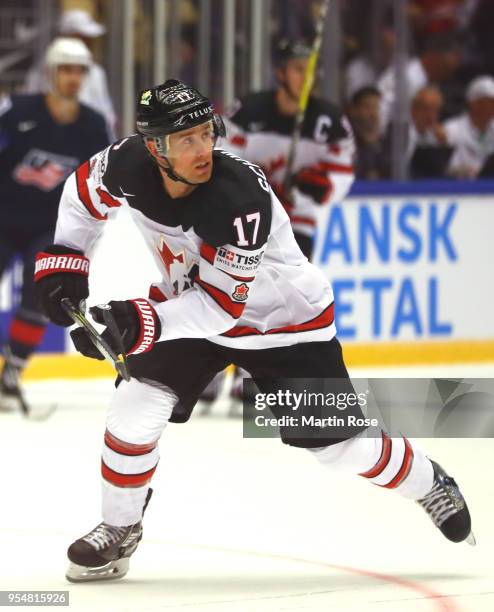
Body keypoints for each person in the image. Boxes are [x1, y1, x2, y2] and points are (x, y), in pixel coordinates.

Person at [34, 79, 474, 583]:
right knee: (135, 409)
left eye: (207, 133)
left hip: (285, 324)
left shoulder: (240, 198)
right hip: (190, 308)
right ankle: (119, 528)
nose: (204, 149)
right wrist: (67, 258)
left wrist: (135, 323)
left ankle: (428, 481)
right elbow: (82, 192)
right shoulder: (124, 163)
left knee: (340, 449)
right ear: (155, 147)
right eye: (187, 139)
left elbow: (222, 309)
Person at [0, 37, 110, 412]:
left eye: (79, 70)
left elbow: (101, 184)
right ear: (50, 73)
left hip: (51, 228)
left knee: (42, 293)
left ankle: (13, 370)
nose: (73, 78)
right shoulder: (17, 111)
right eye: (65, 69)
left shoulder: (95, 127)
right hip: (3, 217)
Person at [223, 39, 355, 261]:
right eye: (298, 69)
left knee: (293, 289)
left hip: (298, 223)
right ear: (281, 73)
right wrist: (252, 185)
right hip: (247, 218)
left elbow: (342, 174)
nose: (306, 78)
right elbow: (221, 158)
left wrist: (323, 186)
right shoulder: (247, 111)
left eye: (311, 70)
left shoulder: (330, 121)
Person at [24, 9, 116, 139]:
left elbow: (106, 112)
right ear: (66, 36)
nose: (88, 42)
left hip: (88, 139)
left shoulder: (96, 72)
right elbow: (29, 110)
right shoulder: (41, 71)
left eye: (89, 38)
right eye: (82, 37)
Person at [443, 75, 494, 178]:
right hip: (460, 189)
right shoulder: (451, 130)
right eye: (490, 102)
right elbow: (442, 168)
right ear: (474, 103)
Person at [347, 86, 391, 180]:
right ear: (354, 110)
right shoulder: (347, 144)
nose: (373, 113)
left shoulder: (388, 146)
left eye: (376, 107)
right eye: (367, 107)